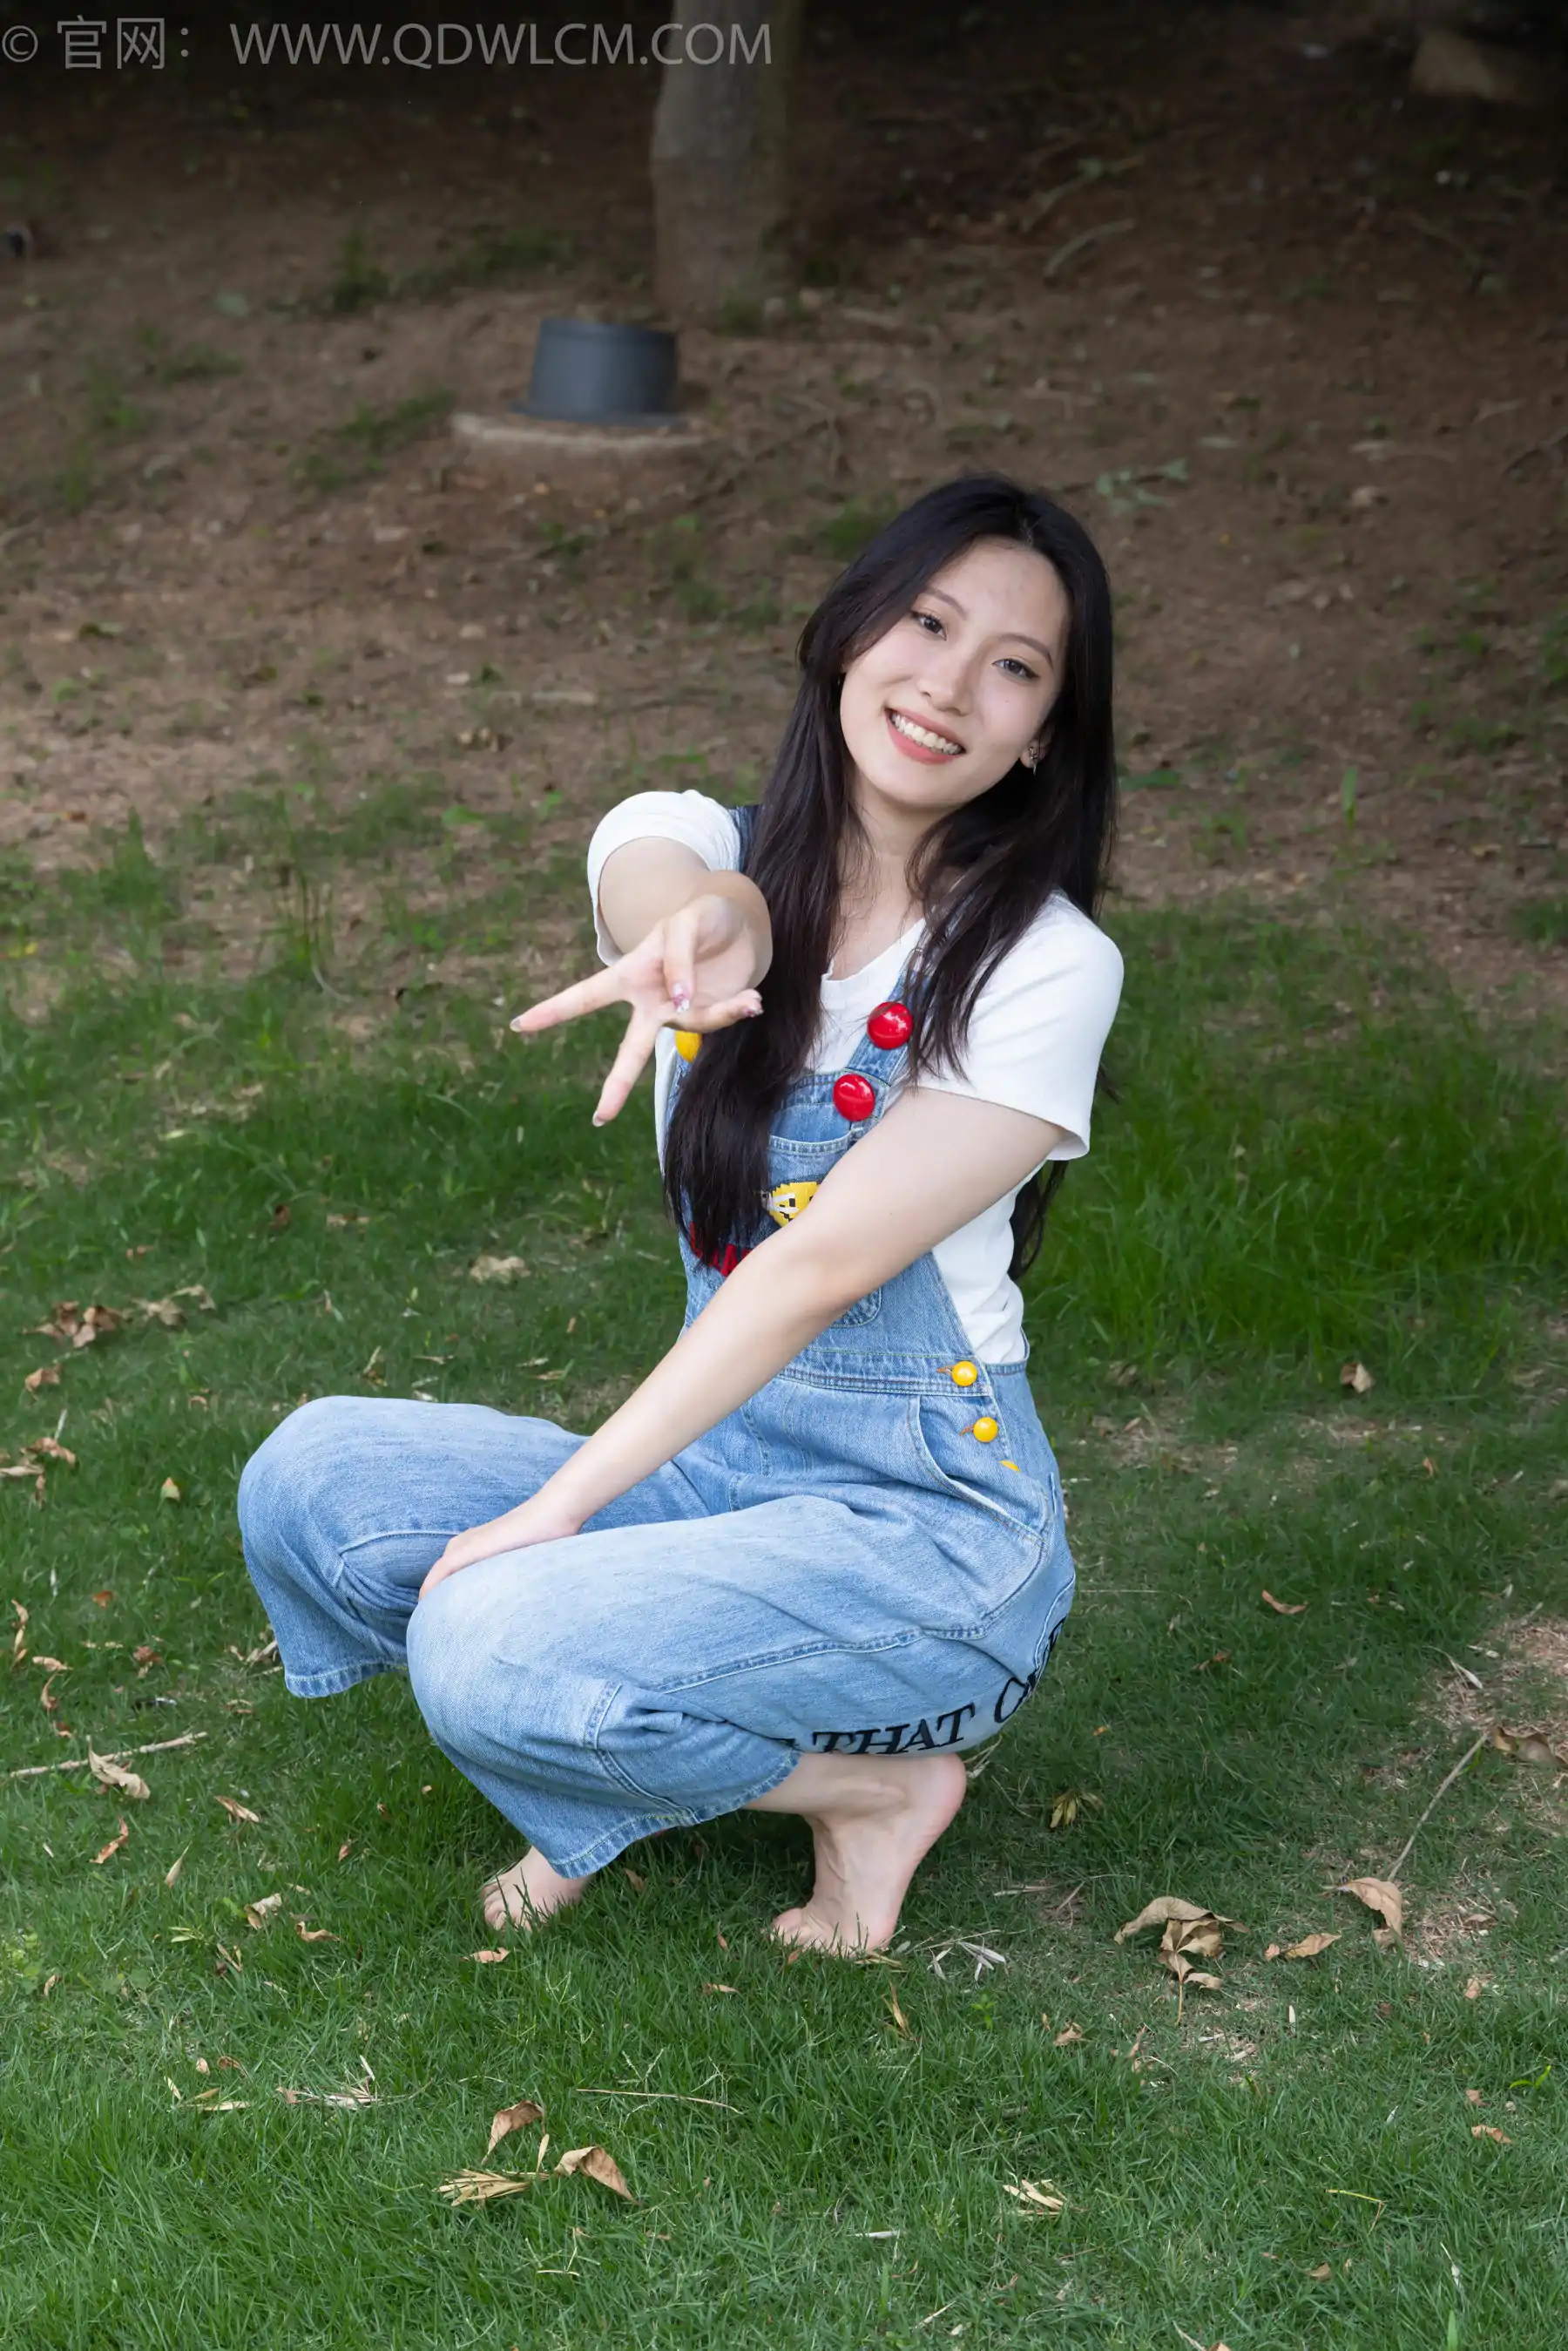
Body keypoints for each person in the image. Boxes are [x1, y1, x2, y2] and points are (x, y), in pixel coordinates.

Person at [238, 473, 1123, 1955]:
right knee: (311, 1482)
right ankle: (605, 1728)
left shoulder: (1046, 966)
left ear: (1042, 733)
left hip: (928, 1543)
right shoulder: (688, 839)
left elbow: (815, 1269)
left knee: (483, 1640)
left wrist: (552, 1517)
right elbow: (699, 897)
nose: (949, 684)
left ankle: (873, 1790)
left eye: (1015, 666)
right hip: (721, 1482)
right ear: (853, 629)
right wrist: (712, 925)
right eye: (926, 623)